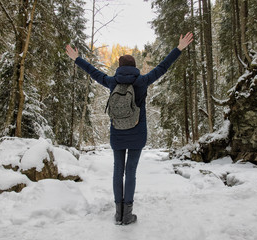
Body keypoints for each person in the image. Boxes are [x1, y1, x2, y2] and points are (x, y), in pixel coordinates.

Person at [65, 32, 193, 225]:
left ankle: (118, 213)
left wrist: (77, 59)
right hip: (137, 134)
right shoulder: (142, 81)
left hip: (117, 134)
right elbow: (162, 67)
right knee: (130, 172)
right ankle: (128, 214)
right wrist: (179, 48)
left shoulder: (111, 81)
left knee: (118, 171)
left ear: (119, 67)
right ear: (134, 67)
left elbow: (92, 71)